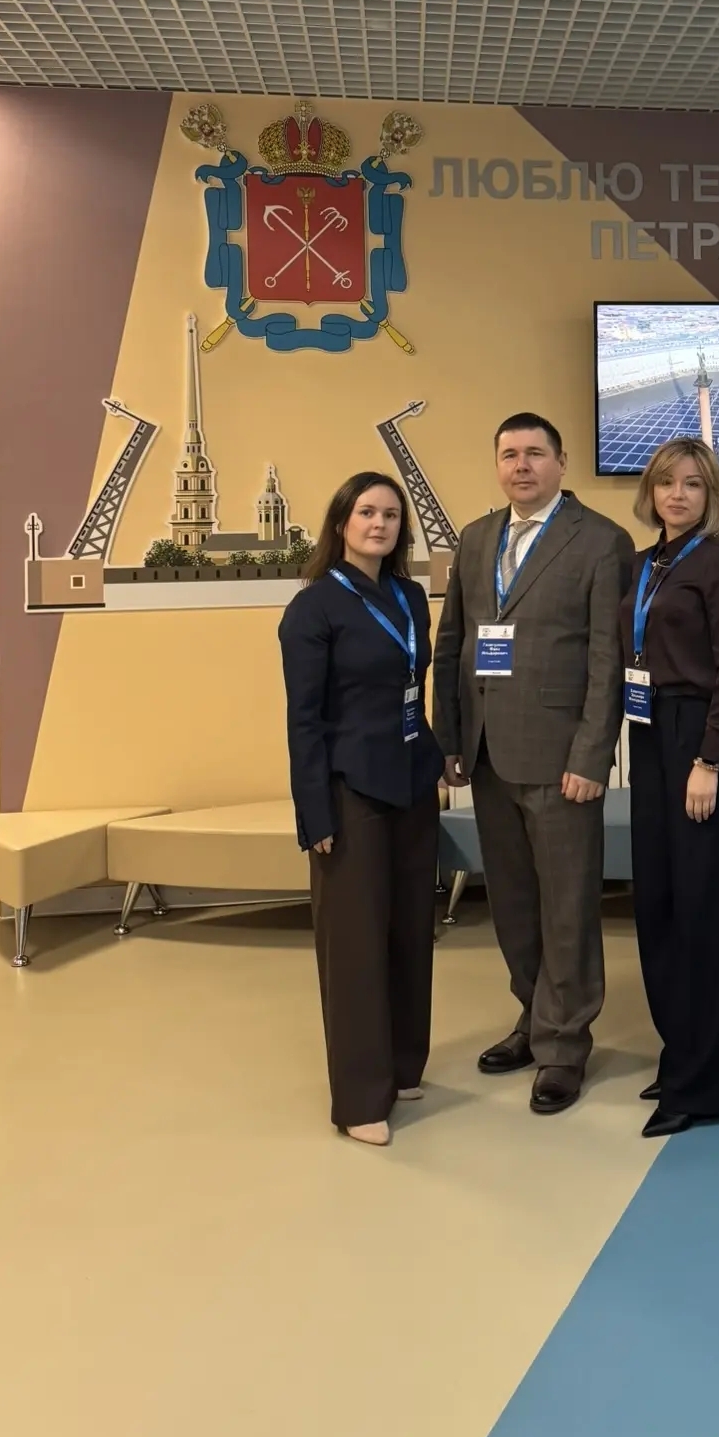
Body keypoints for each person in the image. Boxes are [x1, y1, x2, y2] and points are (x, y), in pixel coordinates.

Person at [433, 413, 633, 1116]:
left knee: (567, 906)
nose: (522, 466)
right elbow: (452, 642)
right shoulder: (475, 538)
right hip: (488, 753)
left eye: (535, 454)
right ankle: (534, 1014)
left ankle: (564, 1046)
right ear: (497, 465)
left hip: (560, 758)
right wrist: (450, 737)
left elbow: (608, 660)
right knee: (513, 904)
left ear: (561, 462)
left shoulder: (601, 542)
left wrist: (592, 755)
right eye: (510, 455)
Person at [279, 472, 443, 1147]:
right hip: (351, 792)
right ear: (342, 522)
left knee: (410, 931)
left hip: (412, 782)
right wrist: (315, 813)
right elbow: (303, 721)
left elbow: (415, 685)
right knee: (355, 946)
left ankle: (403, 1065)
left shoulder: (410, 596)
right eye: (367, 512)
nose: (380, 524)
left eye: (391, 515)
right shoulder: (313, 608)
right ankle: (359, 1098)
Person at [621, 437, 719, 1139]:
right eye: (667, 482)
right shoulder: (645, 565)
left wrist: (710, 760)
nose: (678, 494)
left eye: (693, 485)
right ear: (651, 491)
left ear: (710, 496)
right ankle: (680, 1056)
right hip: (649, 737)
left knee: (703, 913)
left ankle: (703, 1085)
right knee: (659, 906)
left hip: (702, 740)